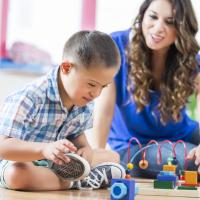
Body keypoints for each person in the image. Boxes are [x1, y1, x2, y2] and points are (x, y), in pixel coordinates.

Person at [0, 30, 125, 191]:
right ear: (66, 68)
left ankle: (71, 177)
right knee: (17, 175)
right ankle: (78, 182)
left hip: (58, 163)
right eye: (92, 84)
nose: (97, 94)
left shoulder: (84, 101)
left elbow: (77, 135)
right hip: (20, 162)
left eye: (104, 86)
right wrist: (44, 149)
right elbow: (3, 147)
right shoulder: (30, 97)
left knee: (113, 156)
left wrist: (86, 150)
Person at [93, 0, 200, 178]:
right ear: (143, 15)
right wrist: (98, 154)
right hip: (133, 145)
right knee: (189, 163)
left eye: (170, 21)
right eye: (153, 17)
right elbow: (104, 111)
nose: (158, 28)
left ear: (182, 29)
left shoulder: (189, 59)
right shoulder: (116, 45)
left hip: (184, 133)